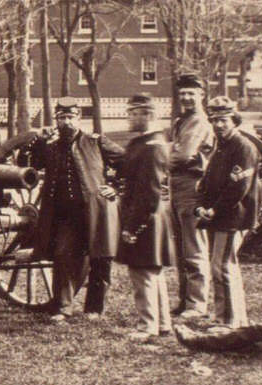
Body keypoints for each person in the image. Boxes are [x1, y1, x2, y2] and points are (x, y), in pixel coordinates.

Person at [28, 99, 124, 322]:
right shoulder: (51, 148)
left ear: (79, 118)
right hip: (65, 215)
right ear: (57, 120)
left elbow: (126, 162)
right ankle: (62, 307)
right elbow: (28, 162)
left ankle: (94, 308)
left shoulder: (96, 142)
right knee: (62, 256)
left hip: (96, 211)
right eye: (62, 118)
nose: (67, 122)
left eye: (71, 117)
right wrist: (38, 141)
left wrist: (115, 186)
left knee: (100, 258)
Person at [116, 94, 177, 342]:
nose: (129, 117)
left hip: (146, 218)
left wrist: (133, 226)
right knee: (153, 272)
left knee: (142, 273)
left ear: (148, 115)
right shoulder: (145, 143)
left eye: (134, 113)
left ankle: (147, 327)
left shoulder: (152, 148)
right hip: (150, 217)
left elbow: (148, 193)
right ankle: (162, 323)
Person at [195, 96, 259, 329]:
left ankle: (230, 321)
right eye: (214, 120)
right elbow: (207, 181)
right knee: (221, 265)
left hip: (233, 216)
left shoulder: (243, 147)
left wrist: (214, 209)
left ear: (234, 120)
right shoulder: (221, 146)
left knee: (222, 266)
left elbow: (238, 188)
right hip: (217, 215)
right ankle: (226, 316)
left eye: (223, 120)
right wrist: (202, 205)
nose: (218, 125)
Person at [168, 73, 214, 320]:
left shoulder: (198, 122)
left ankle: (197, 304)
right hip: (176, 186)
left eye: (191, 93)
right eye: (183, 93)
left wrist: (159, 157)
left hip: (192, 188)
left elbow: (182, 155)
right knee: (180, 248)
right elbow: (175, 151)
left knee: (194, 248)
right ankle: (185, 301)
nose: (186, 97)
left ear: (201, 95)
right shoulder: (181, 121)